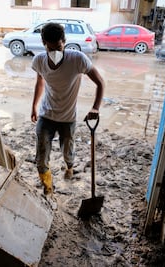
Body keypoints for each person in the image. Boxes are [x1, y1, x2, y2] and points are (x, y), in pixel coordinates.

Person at [31, 22, 105, 195]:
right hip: (46, 115)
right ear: (44, 43)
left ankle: (69, 167)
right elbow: (40, 81)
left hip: (68, 117)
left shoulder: (77, 59)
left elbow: (100, 82)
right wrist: (34, 106)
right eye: (51, 49)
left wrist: (96, 108)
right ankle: (48, 188)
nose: (55, 52)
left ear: (64, 41)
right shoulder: (39, 60)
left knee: (68, 152)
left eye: (58, 47)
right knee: (41, 156)